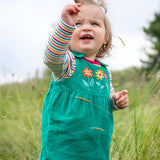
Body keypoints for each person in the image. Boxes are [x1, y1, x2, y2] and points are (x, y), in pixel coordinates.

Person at [40, 0, 129, 159]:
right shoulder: (68, 64)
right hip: (63, 145)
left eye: (95, 24)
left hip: (95, 145)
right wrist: (65, 26)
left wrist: (115, 101)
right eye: (77, 24)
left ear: (105, 38)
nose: (86, 27)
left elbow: (106, 100)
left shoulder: (104, 71)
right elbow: (51, 57)